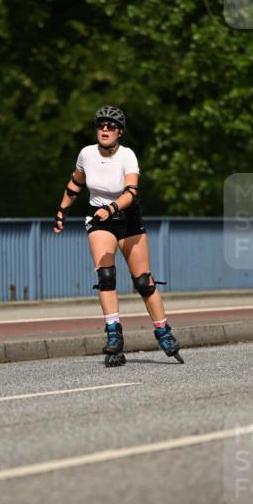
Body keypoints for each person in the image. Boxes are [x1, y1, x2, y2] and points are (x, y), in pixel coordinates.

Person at [54, 105, 183, 366]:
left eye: (111, 126)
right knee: (106, 276)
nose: (105, 129)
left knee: (144, 282)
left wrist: (111, 208)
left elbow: (132, 192)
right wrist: (61, 211)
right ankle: (114, 334)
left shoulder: (127, 156)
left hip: (128, 220)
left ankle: (163, 331)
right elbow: (75, 184)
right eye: (101, 125)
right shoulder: (86, 154)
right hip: (99, 220)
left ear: (119, 132)